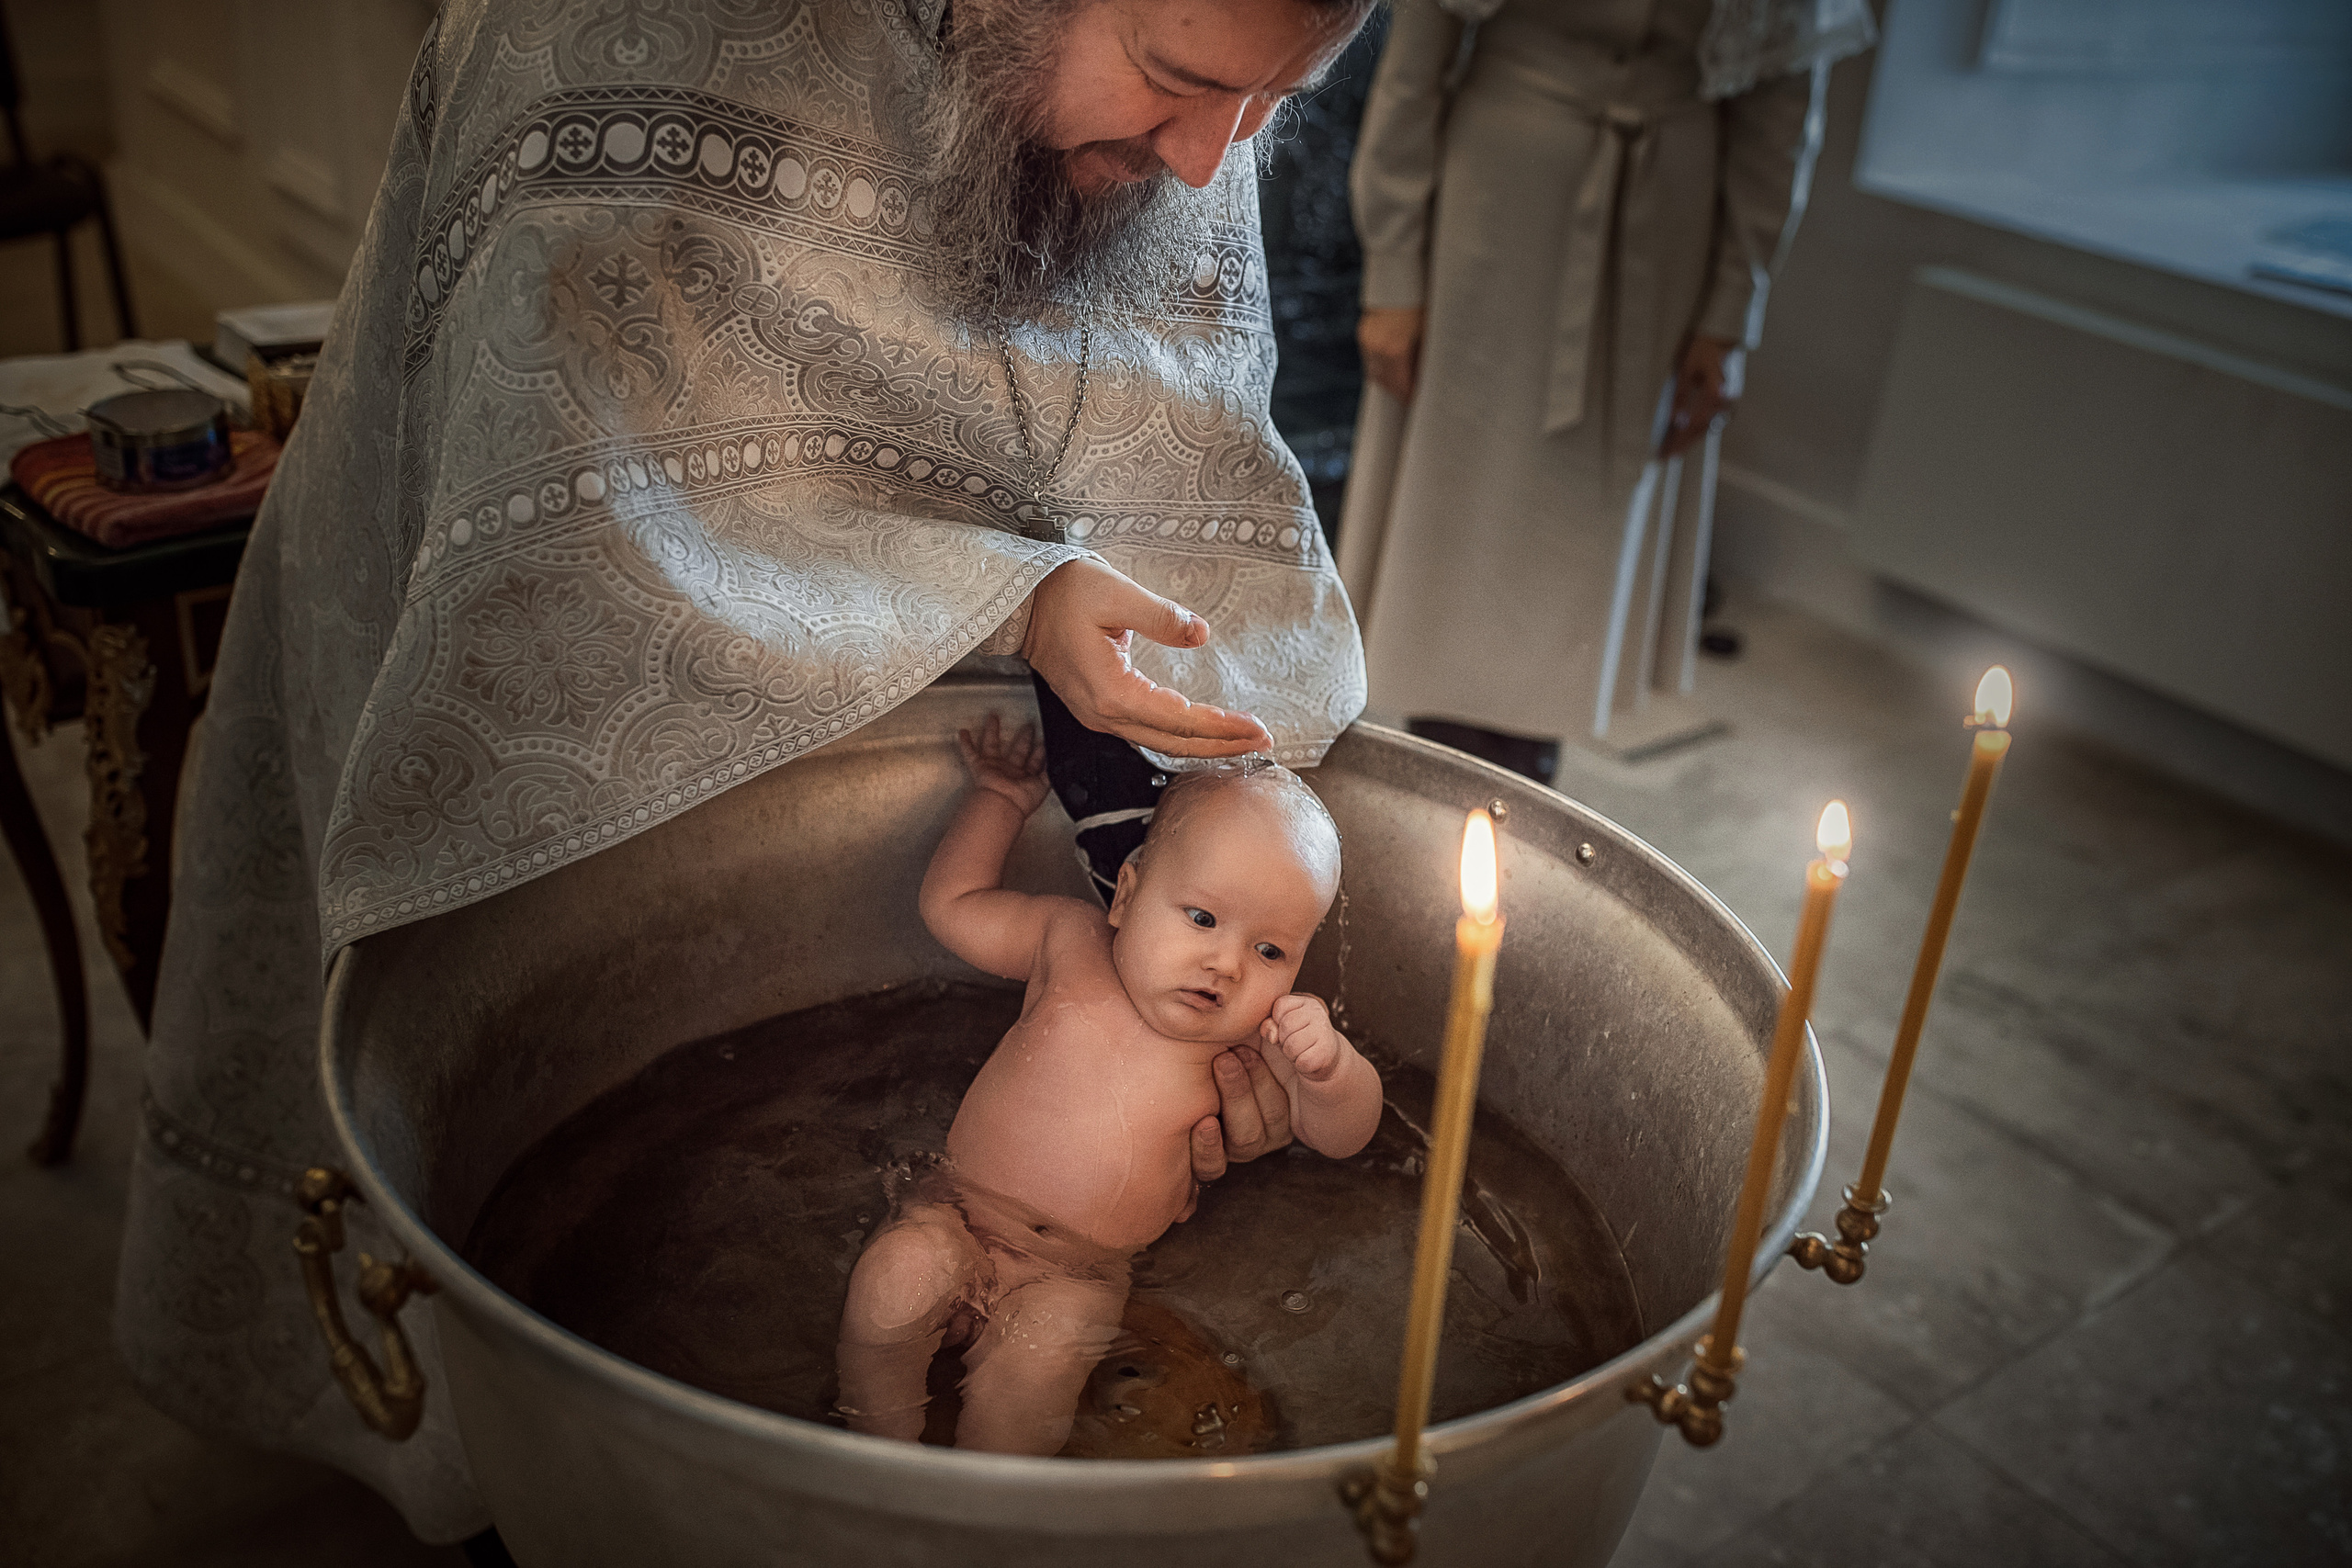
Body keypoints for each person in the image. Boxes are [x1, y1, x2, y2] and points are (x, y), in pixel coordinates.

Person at [116, 0, 1373, 1540]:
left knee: (1023, 1382)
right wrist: (1015, 599)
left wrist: (1202, 899)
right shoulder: (606, 35)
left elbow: (1157, 411)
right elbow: (595, 474)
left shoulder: (1200, 80)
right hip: (633, 768)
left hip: (1065, 1181)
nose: (1205, 168)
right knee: (641, 1321)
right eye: (1179, 85)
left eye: (1277, 106)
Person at [1336, 0, 1873, 759]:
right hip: (1496, 208)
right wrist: (1392, 267)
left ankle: (1531, 765)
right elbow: (1415, 62)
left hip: (1668, 222)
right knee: (1458, 517)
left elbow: (1781, 114)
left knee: (1585, 529)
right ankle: (1444, 760)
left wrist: (1730, 310)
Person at [836, 717, 1379, 1454]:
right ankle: (873, 1448)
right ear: (1124, 896)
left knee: (1032, 1380)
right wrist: (999, 796)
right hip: (955, 1213)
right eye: (1201, 916)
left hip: (1077, 1277)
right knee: (891, 1284)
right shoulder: (1067, 940)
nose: (1225, 963)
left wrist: (1331, 1069)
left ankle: (979, 1510)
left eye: (1270, 948)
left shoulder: (1254, 1037)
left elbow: (1343, 1133)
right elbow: (953, 905)